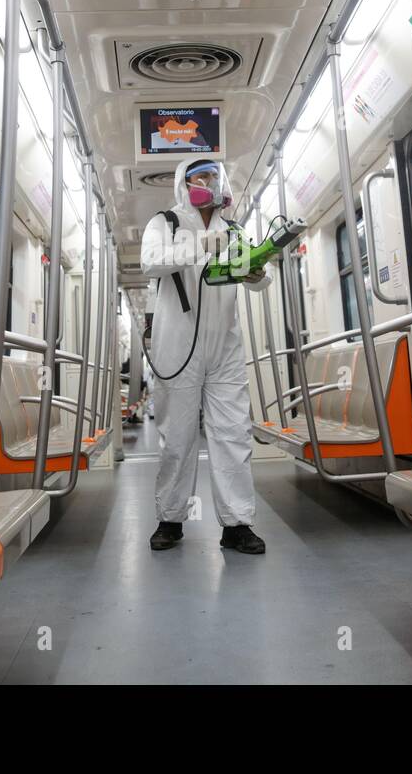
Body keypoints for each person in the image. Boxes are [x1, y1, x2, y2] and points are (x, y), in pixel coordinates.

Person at [139, 158, 272, 554]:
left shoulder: (233, 229)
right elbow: (149, 263)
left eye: (213, 175)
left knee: (233, 434)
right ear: (184, 182)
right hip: (177, 344)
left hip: (224, 347)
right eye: (199, 176)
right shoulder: (165, 223)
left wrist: (256, 273)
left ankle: (237, 524)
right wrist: (198, 245)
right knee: (177, 437)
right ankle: (171, 518)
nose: (207, 182)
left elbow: (260, 279)